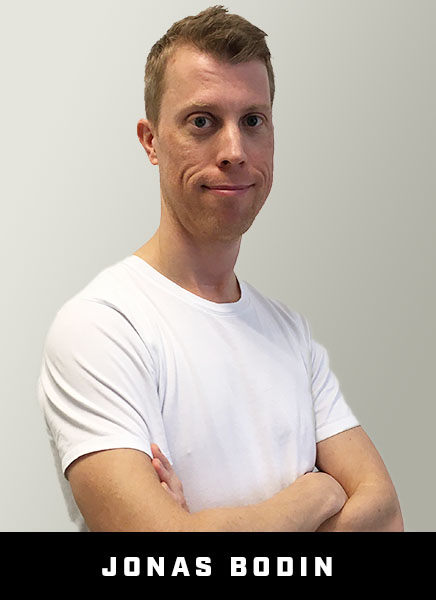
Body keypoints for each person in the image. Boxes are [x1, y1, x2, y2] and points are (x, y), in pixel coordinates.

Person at [37, 5, 403, 532]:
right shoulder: (103, 327)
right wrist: (316, 492)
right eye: (202, 122)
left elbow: (387, 515)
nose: (234, 151)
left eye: (253, 121)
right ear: (150, 141)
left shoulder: (290, 336)